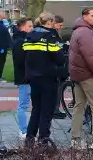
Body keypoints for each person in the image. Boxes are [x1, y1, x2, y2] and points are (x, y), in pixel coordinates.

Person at [23, 12, 65, 146]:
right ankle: (43, 140)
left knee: (36, 109)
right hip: (48, 77)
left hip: (33, 77)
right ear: (50, 22)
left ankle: (29, 138)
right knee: (47, 111)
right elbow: (59, 59)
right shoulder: (51, 36)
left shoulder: (29, 36)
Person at [69, 7, 93, 150]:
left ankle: (75, 139)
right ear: (84, 16)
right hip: (88, 75)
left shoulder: (77, 30)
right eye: (92, 16)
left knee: (79, 106)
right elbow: (91, 57)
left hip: (78, 75)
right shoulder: (85, 33)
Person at [11, 17, 34, 139]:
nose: (32, 28)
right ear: (23, 27)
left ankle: (29, 129)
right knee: (23, 105)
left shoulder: (26, 40)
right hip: (25, 78)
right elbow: (21, 61)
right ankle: (23, 130)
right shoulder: (20, 42)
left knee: (30, 105)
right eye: (30, 26)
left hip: (30, 77)